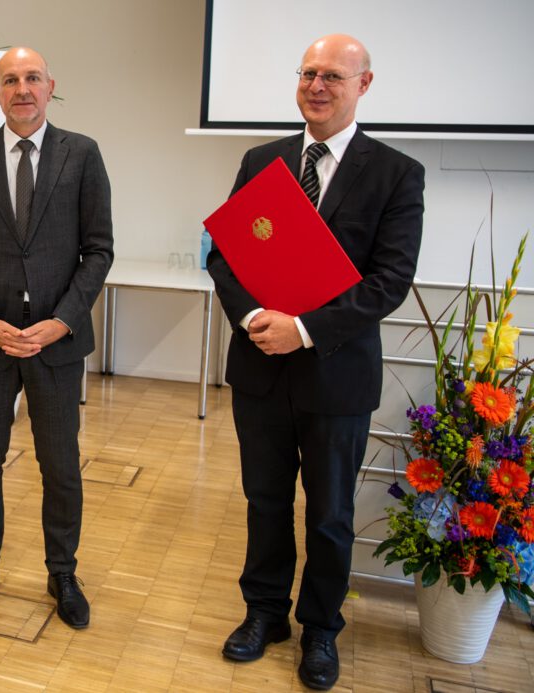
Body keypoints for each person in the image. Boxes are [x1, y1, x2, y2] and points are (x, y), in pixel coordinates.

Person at [207, 35, 424, 690]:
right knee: (264, 500)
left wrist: (302, 329)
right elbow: (224, 255)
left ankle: (321, 627)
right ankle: (264, 612)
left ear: (364, 84)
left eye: (333, 74)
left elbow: (389, 279)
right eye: (308, 73)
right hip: (260, 368)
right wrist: (252, 320)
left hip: (335, 374)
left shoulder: (395, 172)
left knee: (329, 512)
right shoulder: (261, 160)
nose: (317, 85)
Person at [0, 47, 113, 629]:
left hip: (56, 342)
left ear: (50, 86)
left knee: (59, 464)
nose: (22, 88)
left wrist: (61, 321)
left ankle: (62, 570)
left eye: (32, 78)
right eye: (10, 79)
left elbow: (98, 251)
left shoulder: (82, 154)